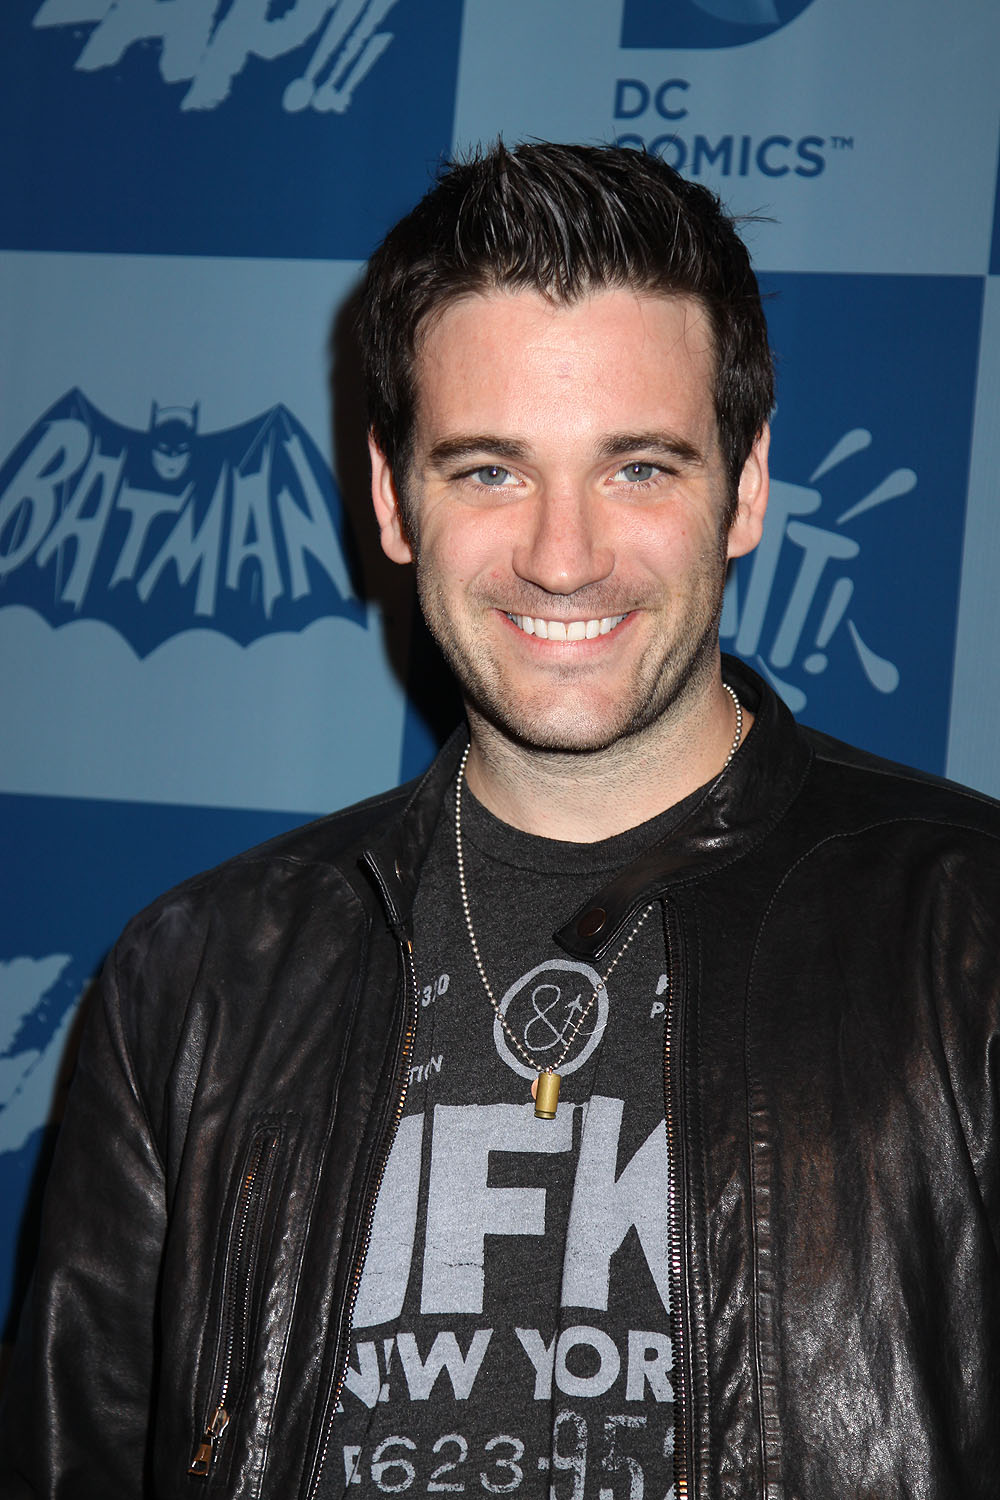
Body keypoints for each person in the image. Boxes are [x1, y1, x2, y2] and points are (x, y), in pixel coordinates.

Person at [1, 142, 998, 1500]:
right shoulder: (196, 980)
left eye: (638, 468)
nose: (561, 556)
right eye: (488, 472)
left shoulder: (969, 932)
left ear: (748, 487)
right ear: (391, 498)